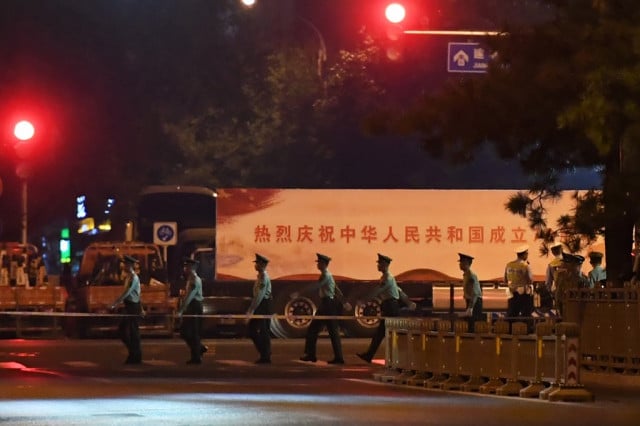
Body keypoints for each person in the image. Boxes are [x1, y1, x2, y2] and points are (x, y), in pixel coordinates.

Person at [297, 253, 345, 364]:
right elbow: (336, 289)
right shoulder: (327, 275)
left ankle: (337, 357)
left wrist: (300, 292)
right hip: (326, 304)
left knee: (328, 331)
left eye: (319, 262)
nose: (318, 264)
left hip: (328, 304)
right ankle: (311, 354)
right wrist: (343, 301)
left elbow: (316, 286)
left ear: (324, 264)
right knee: (315, 330)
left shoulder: (326, 275)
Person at [357, 253, 400, 364]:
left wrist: (365, 301)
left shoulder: (387, 278)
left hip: (391, 306)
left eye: (380, 263)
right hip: (389, 305)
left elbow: (378, 291)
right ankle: (369, 355)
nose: (378, 265)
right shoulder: (385, 277)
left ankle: (396, 358)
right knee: (382, 333)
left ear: (385, 264)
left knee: (390, 333)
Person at [110, 255, 143, 364]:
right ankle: (133, 353)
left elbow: (127, 292)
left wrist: (115, 303)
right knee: (123, 331)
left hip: (133, 306)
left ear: (131, 265)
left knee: (133, 332)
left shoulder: (133, 277)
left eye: (127, 264)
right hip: (130, 306)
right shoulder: (128, 277)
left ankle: (136, 356)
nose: (124, 265)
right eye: (125, 263)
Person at [177, 258, 207, 364]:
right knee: (185, 332)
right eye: (185, 266)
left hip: (194, 306)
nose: (185, 268)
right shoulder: (190, 278)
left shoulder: (194, 279)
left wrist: (181, 310)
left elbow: (190, 295)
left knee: (193, 332)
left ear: (193, 267)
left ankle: (196, 357)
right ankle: (199, 348)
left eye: (188, 266)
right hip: (191, 306)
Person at [246, 253, 272, 364]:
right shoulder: (260, 276)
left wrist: (251, 309)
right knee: (256, 330)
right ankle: (265, 353)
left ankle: (265, 355)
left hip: (263, 305)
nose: (255, 265)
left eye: (257, 263)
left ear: (262, 264)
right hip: (261, 304)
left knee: (262, 330)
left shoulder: (263, 277)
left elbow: (260, 295)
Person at [504, 245, 534, 321]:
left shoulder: (509, 265)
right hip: (523, 293)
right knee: (526, 314)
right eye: (527, 254)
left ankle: (511, 330)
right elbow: (530, 280)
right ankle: (525, 329)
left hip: (511, 293)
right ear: (524, 254)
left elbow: (505, 279)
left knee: (512, 313)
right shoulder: (525, 265)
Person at [459, 253, 483, 332]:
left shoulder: (471, 275)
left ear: (467, 264)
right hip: (471, 302)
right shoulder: (466, 275)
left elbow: (474, 293)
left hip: (474, 303)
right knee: (469, 325)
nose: (460, 264)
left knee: (473, 327)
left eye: (462, 262)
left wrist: (470, 308)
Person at [540, 242, 563, 310]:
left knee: (559, 311)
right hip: (570, 291)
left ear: (552, 252)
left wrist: (550, 292)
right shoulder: (569, 262)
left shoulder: (551, 265)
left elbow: (548, 282)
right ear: (562, 249)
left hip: (558, 291)